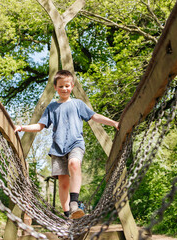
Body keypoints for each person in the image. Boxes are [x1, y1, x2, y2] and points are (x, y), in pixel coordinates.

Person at [14, 70, 119, 219]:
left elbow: (94, 116)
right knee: (63, 183)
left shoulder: (78, 104)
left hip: (75, 143)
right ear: (56, 88)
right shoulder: (52, 107)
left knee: (74, 164)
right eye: (61, 86)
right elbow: (39, 126)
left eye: (67, 86)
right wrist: (22, 127)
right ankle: (68, 216)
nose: (64, 89)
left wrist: (114, 123)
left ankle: (74, 203)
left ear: (72, 86)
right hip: (58, 148)